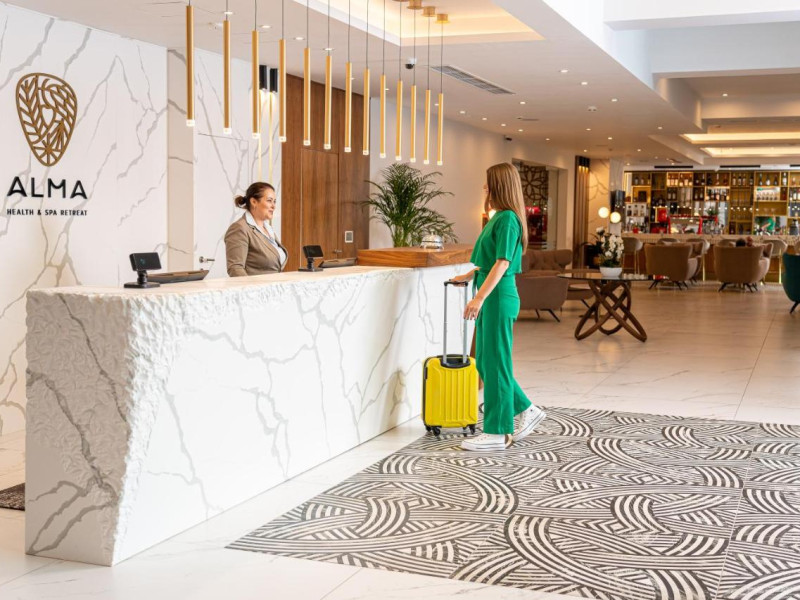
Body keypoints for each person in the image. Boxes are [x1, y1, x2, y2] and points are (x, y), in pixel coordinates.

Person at [451, 163, 546, 451]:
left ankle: (498, 432)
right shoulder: (500, 218)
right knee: (485, 361)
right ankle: (526, 409)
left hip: (498, 299)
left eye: (488, 182)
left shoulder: (507, 219)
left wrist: (478, 298)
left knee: (496, 363)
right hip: (493, 297)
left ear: (499, 185)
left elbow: (503, 264)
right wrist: (469, 276)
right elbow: (491, 261)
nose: (485, 187)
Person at [225, 182, 288, 276]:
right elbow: (235, 269)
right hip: (256, 285)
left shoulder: (268, 229)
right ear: (254, 202)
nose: (273, 206)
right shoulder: (239, 228)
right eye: (269, 200)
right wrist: (251, 286)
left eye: (274, 201)